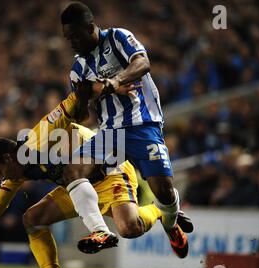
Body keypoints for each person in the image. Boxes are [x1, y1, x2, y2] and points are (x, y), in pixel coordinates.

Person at [0, 87, 192, 268]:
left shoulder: (40, 136)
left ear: (8, 157)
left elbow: (70, 103)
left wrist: (96, 87)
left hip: (110, 172)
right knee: (32, 219)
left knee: (129, 229)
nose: (2, 177)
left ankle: (159, 211)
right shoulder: (18, 171)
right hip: (77, 187)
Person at [59, 2, 193, 253]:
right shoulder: (78, 69)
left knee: (163, 191)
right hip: (110, 133)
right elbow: (82, 115)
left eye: (76, 36)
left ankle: (170, 221)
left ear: (90, 28)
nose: (72, 43)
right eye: (68, 38)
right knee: (71, 171)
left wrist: (115, 80)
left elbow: (142, 63)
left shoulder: (118, 37)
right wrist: (84, 99)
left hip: (143, 124)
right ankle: (100, 231)